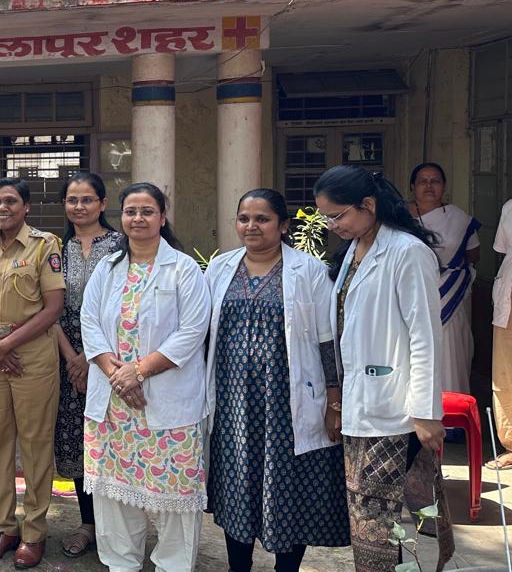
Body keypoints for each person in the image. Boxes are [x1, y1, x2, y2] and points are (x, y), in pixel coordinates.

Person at [313, 165, 451, 572]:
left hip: (393, 409)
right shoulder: (354, 251)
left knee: (376, 519)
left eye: (338, 215)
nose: (333, 225)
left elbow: (425, 335)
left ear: (368, 205)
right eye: (326, 218)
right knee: (367, 518)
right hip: (361, 405)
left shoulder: (407, 252)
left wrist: (426, 412)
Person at [204, 189, 349, 572]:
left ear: (283, 225)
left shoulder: (309, 271)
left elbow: (327, 340)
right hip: (234, 408)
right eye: (244, 218)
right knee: (236, 490)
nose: (251, 226)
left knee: (290, 492)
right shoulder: (220, 268)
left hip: (286, 407)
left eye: (262, 219)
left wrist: (333, 403)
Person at [80, 182, 210, 572]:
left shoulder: (184, 268)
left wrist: (137, 372)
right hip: (114, 403)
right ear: (121, 217)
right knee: (114, 496)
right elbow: (89, 322)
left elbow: (192, 331)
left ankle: (173, 565)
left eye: (147, 211)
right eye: (131, 211)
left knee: (175, 492)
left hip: (166, 400)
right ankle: (121, 562)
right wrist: (117, 376)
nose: (138, 218)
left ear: (162, 217)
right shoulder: (107, 268)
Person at [0, 177, 65, 569]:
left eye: (11, 201)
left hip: (31, 355)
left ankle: (34, 532)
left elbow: (53, 307)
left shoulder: (44, 245)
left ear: (26, 206)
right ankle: (4, 528)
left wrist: (6, 346)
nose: (2, 208)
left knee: (35, 445)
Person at [54, 172, 123, 559]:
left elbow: (125, 305)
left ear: (102, 203)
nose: (79, 206)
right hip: (66, 359)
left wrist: (90, 357)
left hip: (113, 358)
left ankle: (118, 528)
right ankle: (88, 524)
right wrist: (71, 358)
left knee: (112, 439)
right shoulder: (55, 250)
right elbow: (48, 307)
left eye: (86, 199)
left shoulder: (121, 246)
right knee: (79, 442)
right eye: (72, 200)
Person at [408, 162, 480, 394]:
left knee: (450, 354)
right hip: (410, 295)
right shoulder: (399, 218)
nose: (429, 186)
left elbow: (473, 254)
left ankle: (452, 407)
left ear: (444, 186)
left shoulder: (459, 219)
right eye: (423, 181)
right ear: (413, 187)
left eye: (435, 181)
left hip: (450, 296)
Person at [492, 197, 512, 470]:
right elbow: (504, 249)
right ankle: (511, 444)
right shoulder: (509, 207)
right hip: (508, 303)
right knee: (505, 373)